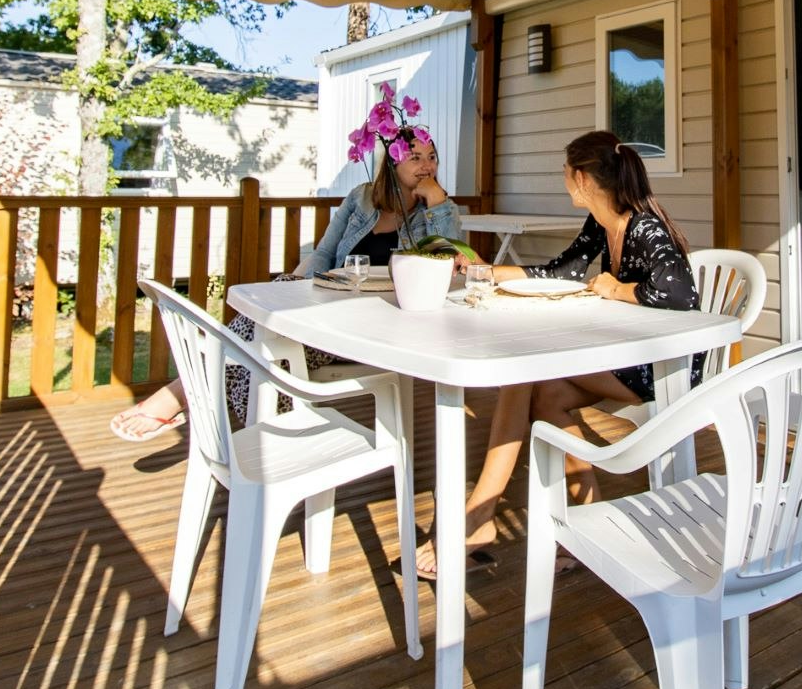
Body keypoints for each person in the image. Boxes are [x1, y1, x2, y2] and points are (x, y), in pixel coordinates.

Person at [415, 129, 697, 578]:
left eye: (566, 171)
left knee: (523, 373)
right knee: (545, 395)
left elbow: (681, 294)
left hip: (662, 364)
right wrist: (483, 271)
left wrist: (616, 288)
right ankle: (585, 521)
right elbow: (560, 271)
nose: (563, 178)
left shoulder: (644, 226)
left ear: (582, 178)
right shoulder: (601, 224)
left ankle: (479, 515)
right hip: (623, 354)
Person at [109, 130, 459, 441]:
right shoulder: (361, 198)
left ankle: (198, 398)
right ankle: (267, 430)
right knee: (265, 334)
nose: (426, 166)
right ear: (393, 163)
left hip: (375, 325)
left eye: (432, 157)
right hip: (328, 308)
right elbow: (324, 254)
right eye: (415, 157)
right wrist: (296, 292)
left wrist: (437, 203)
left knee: (262, 346)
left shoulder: (441, 209)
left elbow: (445, 264)